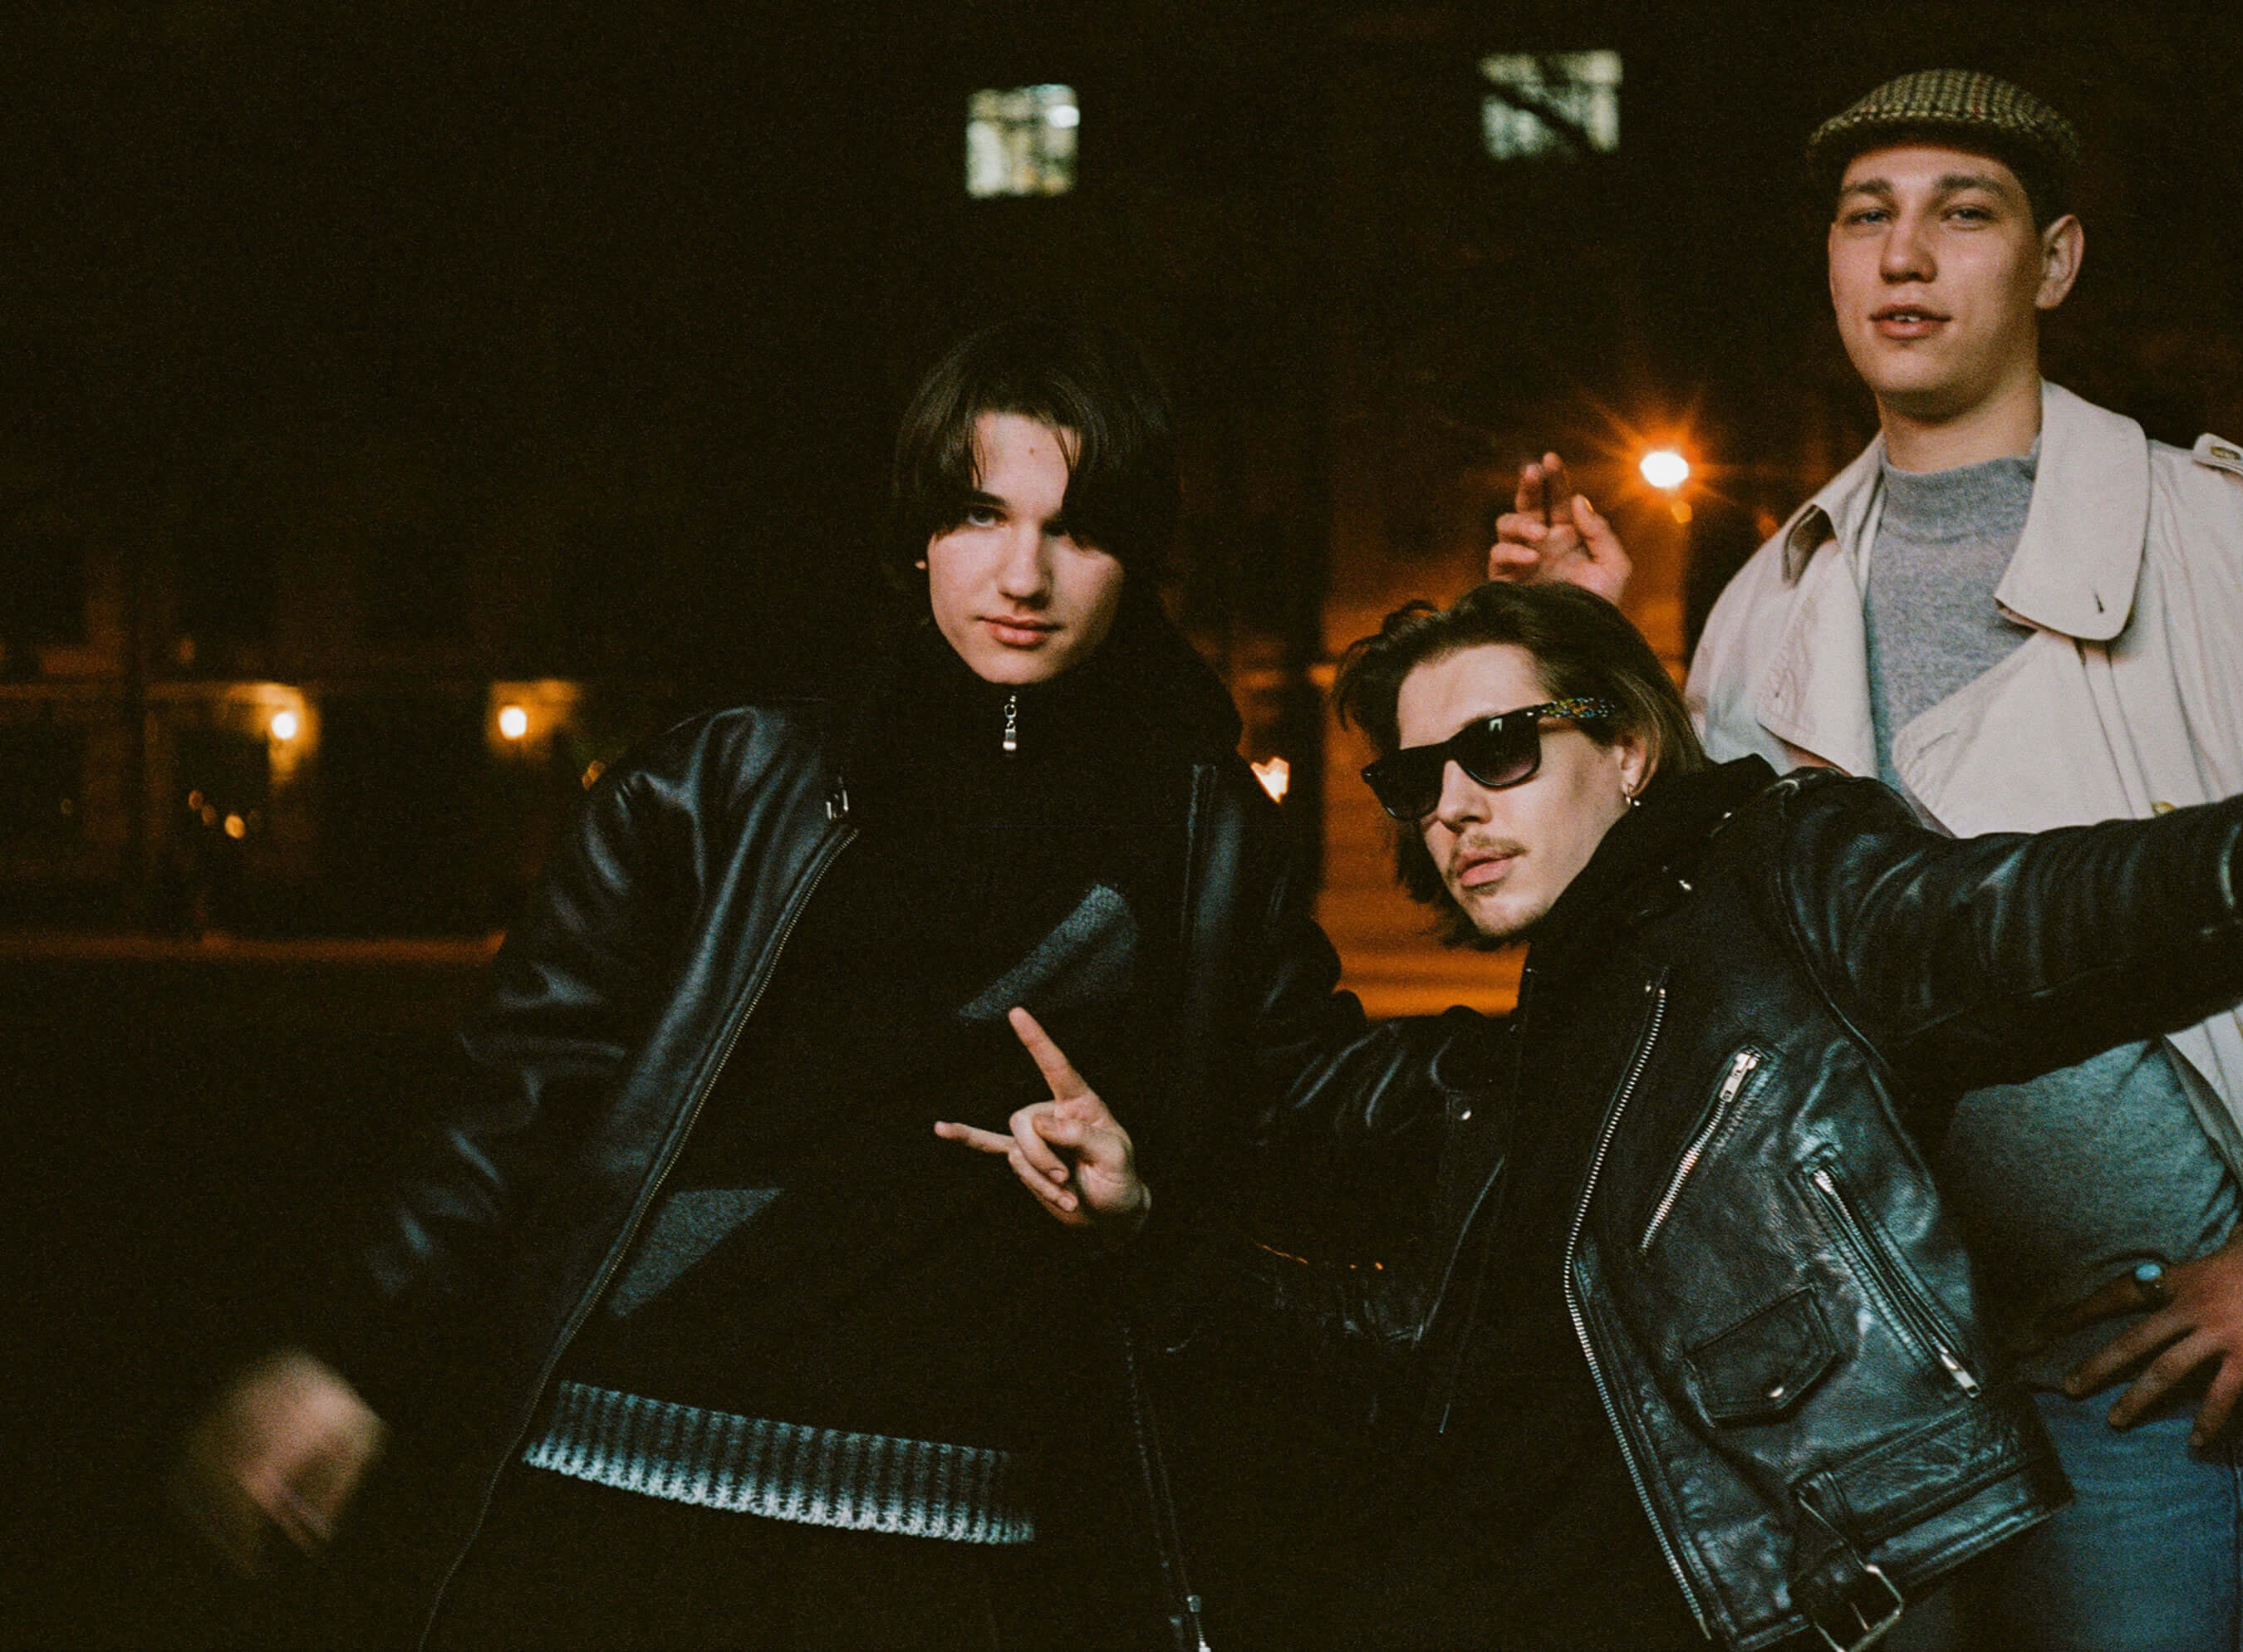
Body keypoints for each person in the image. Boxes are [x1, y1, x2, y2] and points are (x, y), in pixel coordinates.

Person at [169, 318, 1414, 1650]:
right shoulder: (729, 777)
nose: (1025, 572)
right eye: (982, 513)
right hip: (615, 1483)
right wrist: (355, 1350)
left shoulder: (1199, 828)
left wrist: (1149, 1197)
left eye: (1080, 529)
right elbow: (516, 1095)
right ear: (922, 531)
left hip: (946, 1532)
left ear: (1137, 558)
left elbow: (1318, 1100)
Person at [960, 578, 2243, 1652]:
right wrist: (1148, 1235)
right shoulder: (1532, 1056)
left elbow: (2008, 925)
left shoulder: (1776, 876)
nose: (1457, 807)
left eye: (1500, 747)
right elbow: (1407, 1339)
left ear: (1624, 745)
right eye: (1418, 777)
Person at [1491, 68, 2243, 1651]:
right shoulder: (1767, 600)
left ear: (2056, 261)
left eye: (1964, 214)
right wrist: (1603, 663)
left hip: (2148, 1368)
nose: (1905, 258)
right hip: (1883, 1376)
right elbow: (1727, 946)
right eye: (1865, 217)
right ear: (1827, 263)